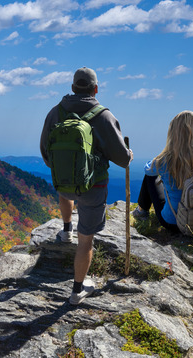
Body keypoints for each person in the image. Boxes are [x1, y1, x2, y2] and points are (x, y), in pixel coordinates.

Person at [40, 67, 133, 305]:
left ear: (72, 88)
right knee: (86, 241)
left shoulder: (55, 113)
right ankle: (77, 291)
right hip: (94, 187)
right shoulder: (103, 116)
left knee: (66, 190)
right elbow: (122, 159)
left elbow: (45, 150)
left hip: (63, 184)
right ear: (95, 89)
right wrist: (129, 155)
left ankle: (66, 229)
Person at [133, 110, 193, 232]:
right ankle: (142, 211)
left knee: (150, 177)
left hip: (173, 221)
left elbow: (148, 169)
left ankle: (141, 212)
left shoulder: (167, 159)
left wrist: (164, 152)